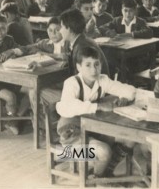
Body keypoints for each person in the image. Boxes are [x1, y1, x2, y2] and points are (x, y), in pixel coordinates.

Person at [56, 46, 136, 177]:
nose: (93, 70)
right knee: (104, 151)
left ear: (101, 65)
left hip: (93, 132)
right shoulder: (72, 83)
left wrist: (124, 98)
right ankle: (96, 180)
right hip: (69, 146)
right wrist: (98, 107)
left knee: (130, 138)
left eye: (96, 64)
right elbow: (66, 107)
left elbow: (131, 90)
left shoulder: (102, 80)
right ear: (78, 67)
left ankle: (106, 171)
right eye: (88, 65)